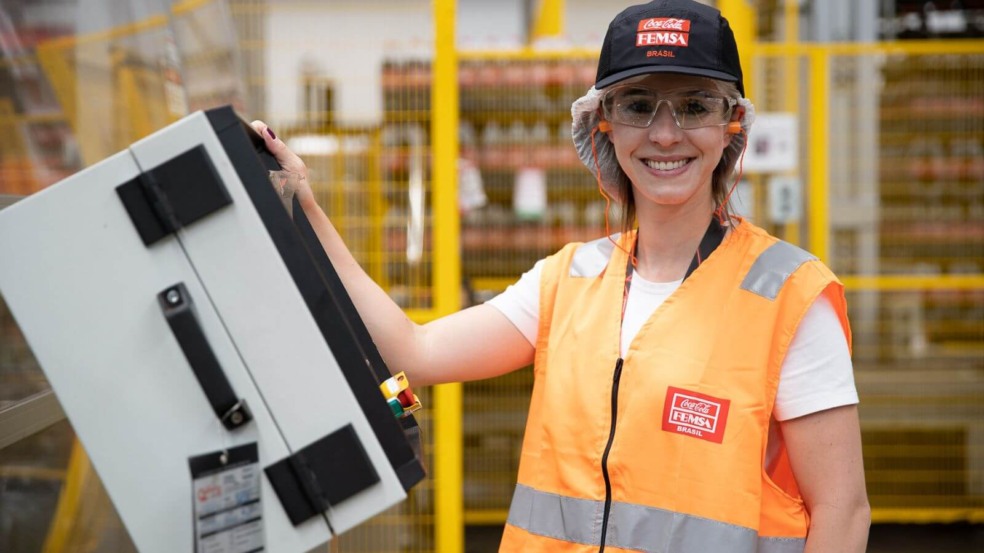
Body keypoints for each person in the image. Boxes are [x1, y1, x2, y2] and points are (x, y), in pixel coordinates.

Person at [252, 1, 870, 550]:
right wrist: (302, 204)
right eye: (637, 105)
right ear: (602, 122)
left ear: (731, 122)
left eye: (694, 105)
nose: (664, 133)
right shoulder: (571, 279)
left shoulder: (788, 297)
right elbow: (418, 351)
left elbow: (841, 512)